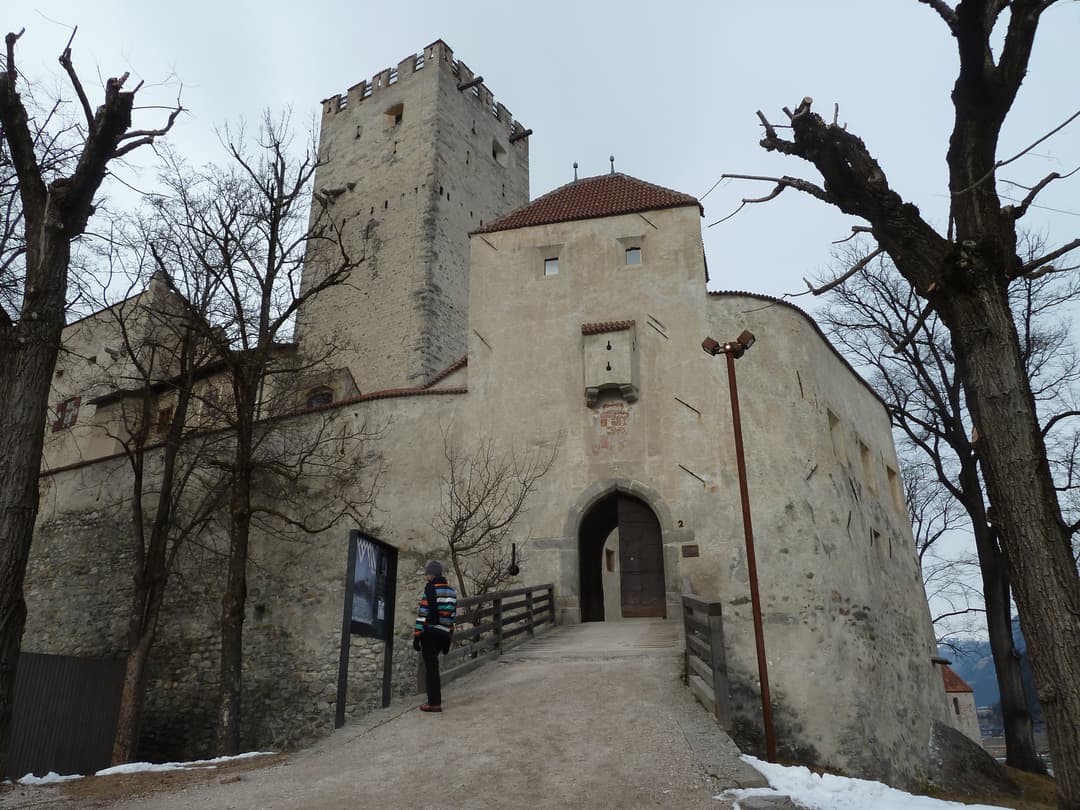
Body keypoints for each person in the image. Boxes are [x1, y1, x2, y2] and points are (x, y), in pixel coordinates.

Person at [413, 559, 456, 712]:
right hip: (444, 633)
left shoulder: (430, 589)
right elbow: (452, 615)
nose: (426, 576)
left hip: (430, 633)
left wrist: (417, 635)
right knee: (434, 666)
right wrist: (449, 633)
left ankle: (434, 703)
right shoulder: (451, 591)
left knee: (431, 668)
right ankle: (434, 700)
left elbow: (423, 613)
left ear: (431, 574)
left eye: (427, 573)